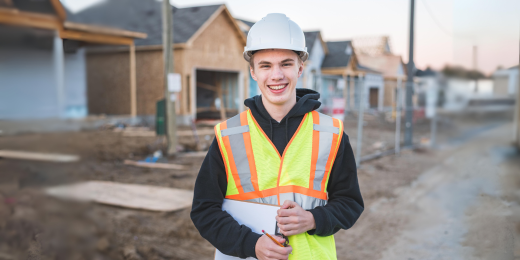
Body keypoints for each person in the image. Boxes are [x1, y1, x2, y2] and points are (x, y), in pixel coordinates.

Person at [191, 13, 364, 260]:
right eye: (265, 65)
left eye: (285, 63)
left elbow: (350, 203)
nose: (276, 75)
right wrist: (250, 244)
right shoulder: (228, 135)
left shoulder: (331, 133)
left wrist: (314, 219)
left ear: (300, 67)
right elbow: (204, 210)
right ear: (252, 71)